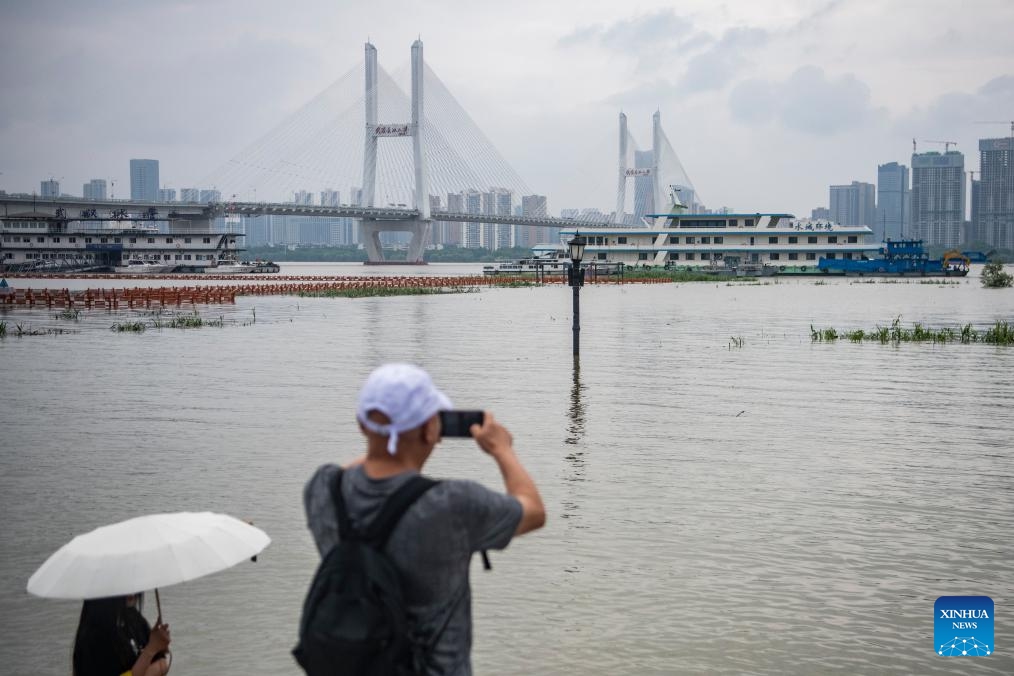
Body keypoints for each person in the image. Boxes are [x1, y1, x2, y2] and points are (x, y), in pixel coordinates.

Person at [303, 363, 546, 675]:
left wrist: (387, 440)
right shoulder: (452, 504)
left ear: (361, 424)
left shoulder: (322, 488)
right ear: (431, 429)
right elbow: (533, 511)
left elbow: (354, 470)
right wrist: (502, 450)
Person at [72, 593, 171, 676]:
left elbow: (161, 663)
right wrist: (151, 650)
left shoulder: (134, 618)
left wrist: (158, 646)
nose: (132, 592)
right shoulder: (92, 638)